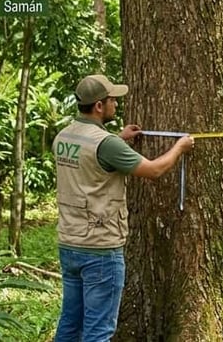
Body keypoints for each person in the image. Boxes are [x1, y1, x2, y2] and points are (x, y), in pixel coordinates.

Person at [52, 74, 194, 342]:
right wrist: (180, 147)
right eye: (113, 101)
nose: (116, 105)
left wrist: (119, 138)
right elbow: (153, 170)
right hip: (99, 249)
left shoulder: (64, 136)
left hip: (69, 243)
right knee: (98, 331)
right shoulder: (106, 144)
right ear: (98, 106)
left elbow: (90, 159)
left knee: (70, 324)